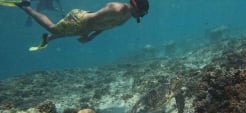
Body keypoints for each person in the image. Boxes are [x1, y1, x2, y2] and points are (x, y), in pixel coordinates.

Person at [0, 0, 149, 51]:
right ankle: (25, 6)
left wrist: (91, 37)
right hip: (80, 19)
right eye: (142, 13)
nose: (141, 16)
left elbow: (107, 26)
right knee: (53, 27)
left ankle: (48, 39)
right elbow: (91, 20)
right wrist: (85, 34)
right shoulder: (116, 9)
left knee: (65, 33)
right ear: (135, 6)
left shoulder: (129, 15)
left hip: (87, 26)